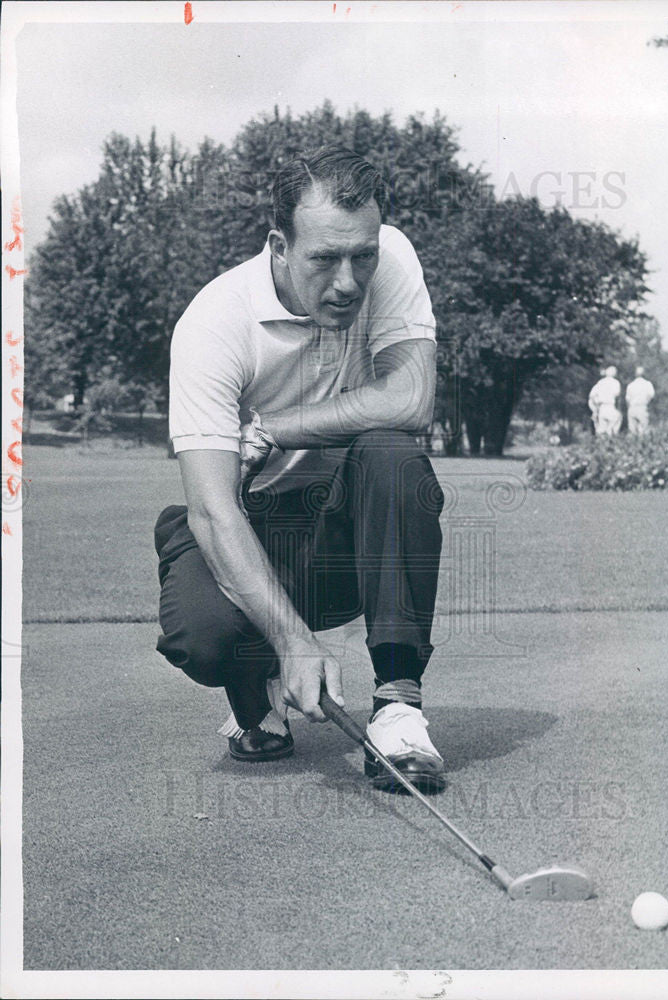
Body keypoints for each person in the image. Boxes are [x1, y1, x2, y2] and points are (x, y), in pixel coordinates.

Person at [153, 147, 446, 793]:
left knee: (392, 452)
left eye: (361, 256)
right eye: (323, 259)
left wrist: (270, 430)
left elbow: (409, 400)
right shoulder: (214, 321)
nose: (347, 281)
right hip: (251, 525)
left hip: (343, 535)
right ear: (278, 246)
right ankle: (253, 685)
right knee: (203, 638)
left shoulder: (389, 256)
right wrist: (291, 640)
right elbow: (211, 508)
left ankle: (398, 708)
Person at [588, 365, 622, 436]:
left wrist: (595, 408)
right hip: (610, 406)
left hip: (601, 408)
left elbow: (591, 396)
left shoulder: (600, 383)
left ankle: (601, 444)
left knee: (602, 429)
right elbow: (617, 396)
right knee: (613, 427)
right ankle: (610, 442)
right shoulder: (616, 383)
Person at [626, 366, 655, 435]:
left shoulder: (630, 385)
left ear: (635, 374)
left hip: (632, 408)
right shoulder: (647, 384)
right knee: (643, 430)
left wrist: (629, 408)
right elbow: (651, 396)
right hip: (642, 407)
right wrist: (647, 403)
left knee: (632, 430)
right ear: (644, 374)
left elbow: (627, 399)